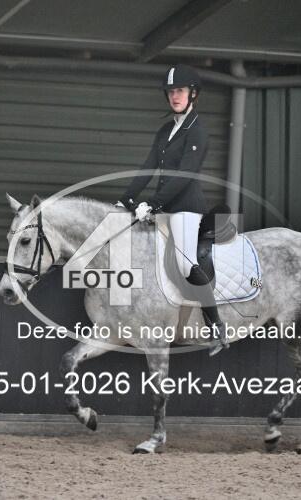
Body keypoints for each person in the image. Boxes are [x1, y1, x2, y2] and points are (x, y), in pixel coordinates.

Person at [115, 64, 229, 356]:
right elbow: (148, 168)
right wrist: (126, 199)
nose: (174, 96)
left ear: (193, 94)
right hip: (163, 207)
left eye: (180, 91)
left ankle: (216, 327)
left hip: (186, 209)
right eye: (170, 92)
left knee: (185, 263)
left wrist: (152, 203)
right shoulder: (166, 130)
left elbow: (185, 176)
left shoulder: (197, 131)